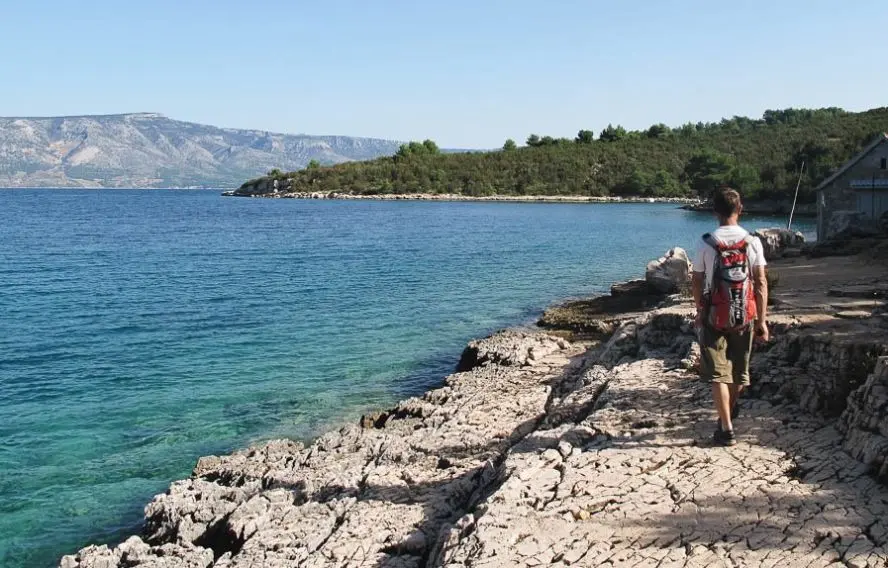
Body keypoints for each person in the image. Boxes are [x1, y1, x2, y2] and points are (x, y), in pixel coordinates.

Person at [691, 187, 769, 446]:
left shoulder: (706, 242)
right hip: (745, 315)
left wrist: (701, 311)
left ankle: (725, 427)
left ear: (715, 212)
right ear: (740, 209)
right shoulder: (752, 242)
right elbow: (760, 283)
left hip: (715, 314)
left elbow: (697, 280)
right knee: (738, 373)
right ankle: (729, 412)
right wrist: (762, 321)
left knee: (717, 374)